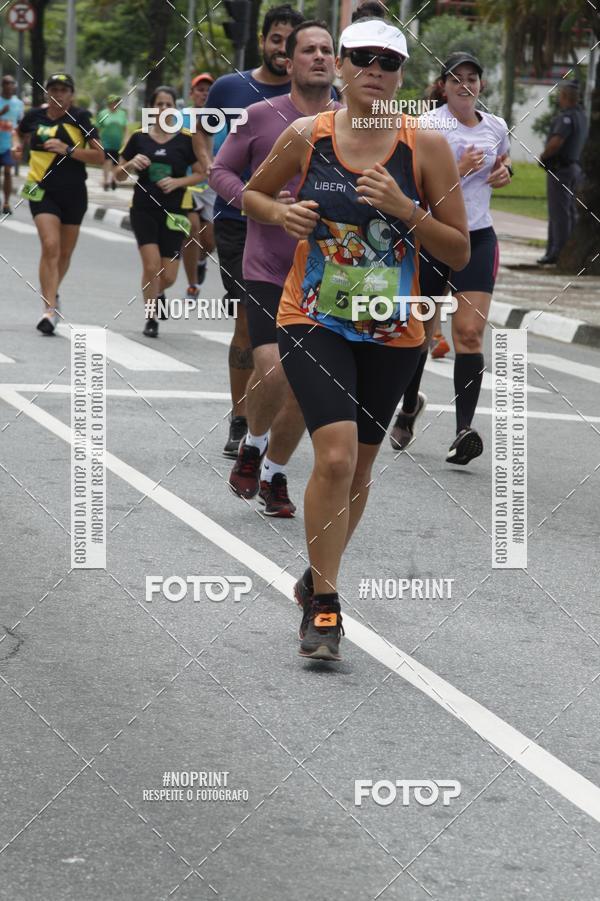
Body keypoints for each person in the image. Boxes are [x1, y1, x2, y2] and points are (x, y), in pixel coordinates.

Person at [243, 18, 469, 660]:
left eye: (389, 61)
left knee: (362, 466)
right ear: (341, 65)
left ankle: (316, 579)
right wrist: (283, 212)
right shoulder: (306, 136)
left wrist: (406, 209)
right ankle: (328, 606)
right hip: (312, 316)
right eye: (363, 58)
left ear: (401, 76)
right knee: (335, 457)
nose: (376, 69)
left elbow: (456, 247)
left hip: (395, 329)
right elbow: (251, 196)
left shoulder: (423, 147)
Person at [210, 20, 339, 518]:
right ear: (291, 60)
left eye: (328, 50)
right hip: (267, 266)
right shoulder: (261, 117)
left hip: (328, 272)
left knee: (312, 385)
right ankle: (254, 439)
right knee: (275, 367)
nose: (320, 57)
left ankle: (273, 473)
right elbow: (220, 172)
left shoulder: (349, 122)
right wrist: (258, 204)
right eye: (310, 49)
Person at [389, 52, 512, 465]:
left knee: (470, 334)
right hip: (433, 237)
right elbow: (414, 186)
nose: (465, 85)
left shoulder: (495, 127)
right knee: (420, 333)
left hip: (477, 238)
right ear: (442, 86)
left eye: (472, 78)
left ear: (481, 84)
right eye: (456, 78)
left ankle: (463, 431)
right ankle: (408, 409)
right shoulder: (428, 125)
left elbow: (503, 163)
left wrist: (504, 171)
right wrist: (456, 169)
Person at [202, 4, 305, 458]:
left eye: (293, 42)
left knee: (298, 330)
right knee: (247, 320)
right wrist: (216, 171)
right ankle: (241, 418)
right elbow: (200, 131)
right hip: (238, 223)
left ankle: (273, 426)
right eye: (277, 39)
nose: (284, 49)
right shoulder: (231, 88)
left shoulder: (320, 99)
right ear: (264, 41)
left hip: (303, 231)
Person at [15, 73, 104, 334]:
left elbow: (99, 156)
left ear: (71, 95)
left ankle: (53, 295)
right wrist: (19, 147)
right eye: (53, 89)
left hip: (74, 193)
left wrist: (68, 150)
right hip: (41, 189)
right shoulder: (34, 116)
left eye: (64, 90)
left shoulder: (81, 118)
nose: (59, 94)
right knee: (50, 245)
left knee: (64, 253)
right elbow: (20, 133)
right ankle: (49, 309)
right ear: (46, 93)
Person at [116, 85, 204, 338]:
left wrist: (178, 182)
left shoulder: (185, 141)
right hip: (143, 209)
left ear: (175, 109)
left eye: (169, 104)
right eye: (159, 104)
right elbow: (118, 175)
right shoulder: (139, 138)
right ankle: (151, 317)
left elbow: (201, 174)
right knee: (152, 265)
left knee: (169, 275)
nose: (164, 109)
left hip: (175, 213)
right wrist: (131, 164)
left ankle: (159, 292)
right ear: (151, 109)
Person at [537, 81, 587, 266]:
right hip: (575, 168)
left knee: (559, 213)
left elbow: (557, 141)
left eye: (560, 96)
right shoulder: (582, 116)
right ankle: (564, 250)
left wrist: (543, 156)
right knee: (570, 211)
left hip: (561, 170)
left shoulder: (565, 118)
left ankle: (556, 252)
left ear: (565, 97)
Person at [181, 73, 217, 302]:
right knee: (192, 228)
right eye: (200, 89)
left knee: (210, 241)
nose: (204, 93)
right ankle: (192, 285)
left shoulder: (223, 117)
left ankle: (201, 260)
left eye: (208, 90)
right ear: (191, 94)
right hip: (187, 181)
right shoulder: (179, 118)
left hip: (213, 186)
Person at [0, 74, 24, 214]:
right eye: (6, 83)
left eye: (12, 83)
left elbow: (20, 123)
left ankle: (7, 203)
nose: (9, 86)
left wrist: (23, 139)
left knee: (8, 172)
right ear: (2, 86)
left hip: (9, 144)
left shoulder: (19, 103)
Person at [96, 95, 128, 191]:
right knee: (107, 161)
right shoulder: (103, 113)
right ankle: (106, 181)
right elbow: (97, 127)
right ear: (109, 103)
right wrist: (97, 141)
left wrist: (126, 139)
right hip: (105, 142)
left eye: (116, 102)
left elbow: (125, 128)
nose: (114, 104)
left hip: (118, 143)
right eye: (113, 102)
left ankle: (113, 179)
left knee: (116, 162)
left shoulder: (122, 114)